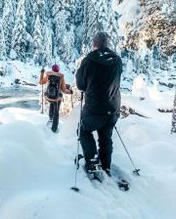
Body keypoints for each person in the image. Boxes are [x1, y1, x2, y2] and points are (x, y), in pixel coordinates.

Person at [76, 32, 122, 176]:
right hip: (113, 107)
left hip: (94, 108)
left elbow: (80, 84)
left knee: (84, 130)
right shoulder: (117, 60)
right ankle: (106, 166)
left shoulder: (88, 60)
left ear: (94, 44)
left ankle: (93, 163)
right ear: (107, 44)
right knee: (105, 137)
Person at [39, 64, 72, 133]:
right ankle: (54, 129)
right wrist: (69, 91)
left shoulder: (48, 75)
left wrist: (42, 73)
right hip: (57, 98)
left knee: (52, 104)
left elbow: (41, 82)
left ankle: (50, 118)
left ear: (52, 69)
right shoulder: (61, 76)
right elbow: (63, 89)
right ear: (58, 69)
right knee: (56, 112)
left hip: (49, 97)